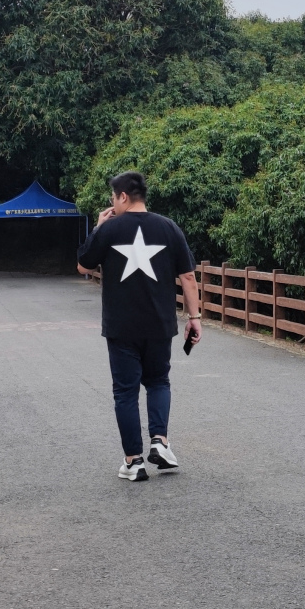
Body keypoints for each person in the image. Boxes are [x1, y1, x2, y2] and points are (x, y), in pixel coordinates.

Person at [75, 170, 202, 480]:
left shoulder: (110, 229)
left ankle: (134, 462)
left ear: (122, 197)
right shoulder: (169, 227)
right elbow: (187, 276)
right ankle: (160, 441)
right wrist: (194, 317)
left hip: (121, 326)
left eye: (112, 199)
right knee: (159, 381)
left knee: (125, 393)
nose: (111, 205)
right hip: (160, 323)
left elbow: (83, 266)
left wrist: (99, 227)